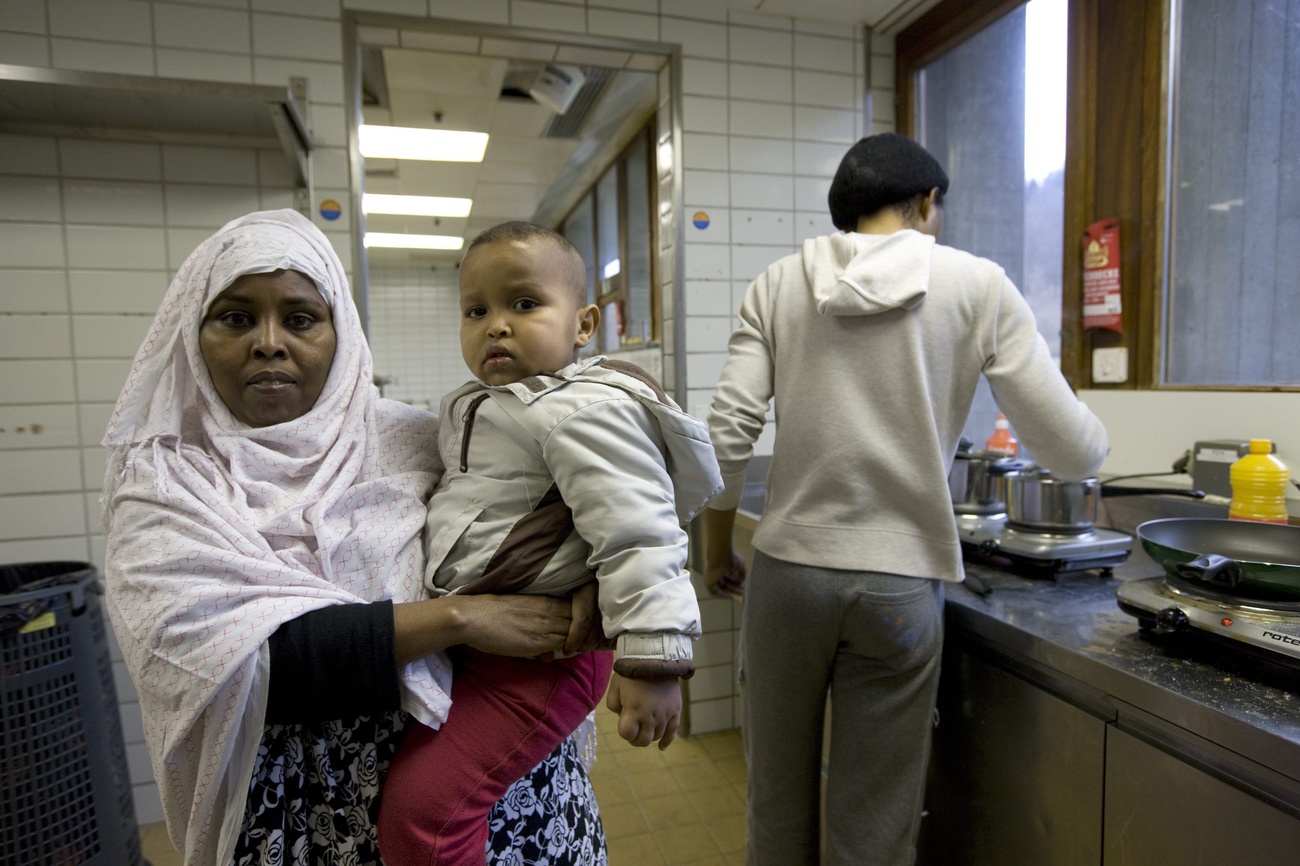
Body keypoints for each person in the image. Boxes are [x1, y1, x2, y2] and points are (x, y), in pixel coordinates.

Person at [101, 209, 609, 866]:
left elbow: (560, 522)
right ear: (191, 336)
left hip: (503, 809)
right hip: (306, 827)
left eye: (301, 318)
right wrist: (459, 618)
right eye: (234, 318)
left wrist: (605, 596)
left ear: (341, 332)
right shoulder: (164, 482)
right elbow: (215, 658)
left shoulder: (417, 441)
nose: (269, 342)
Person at [701, 133, 1108, 866]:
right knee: (874, 825)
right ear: (927, 204)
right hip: (899, 583)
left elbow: (726, 436)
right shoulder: (978, 285)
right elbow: (1073, 453)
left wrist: (713, 547)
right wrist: (1102, 446)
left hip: (788, 576)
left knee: (775, 801)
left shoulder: (777, 283)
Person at [377, 221, 722, 865]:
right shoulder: (484, 405)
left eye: (524, 303)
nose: (496, 325)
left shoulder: (583, 411)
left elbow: (641, 533)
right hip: (490, 643)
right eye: (476, 310)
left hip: (547, 657)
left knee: (424, 816)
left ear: (584, 324)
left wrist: (651, 664)